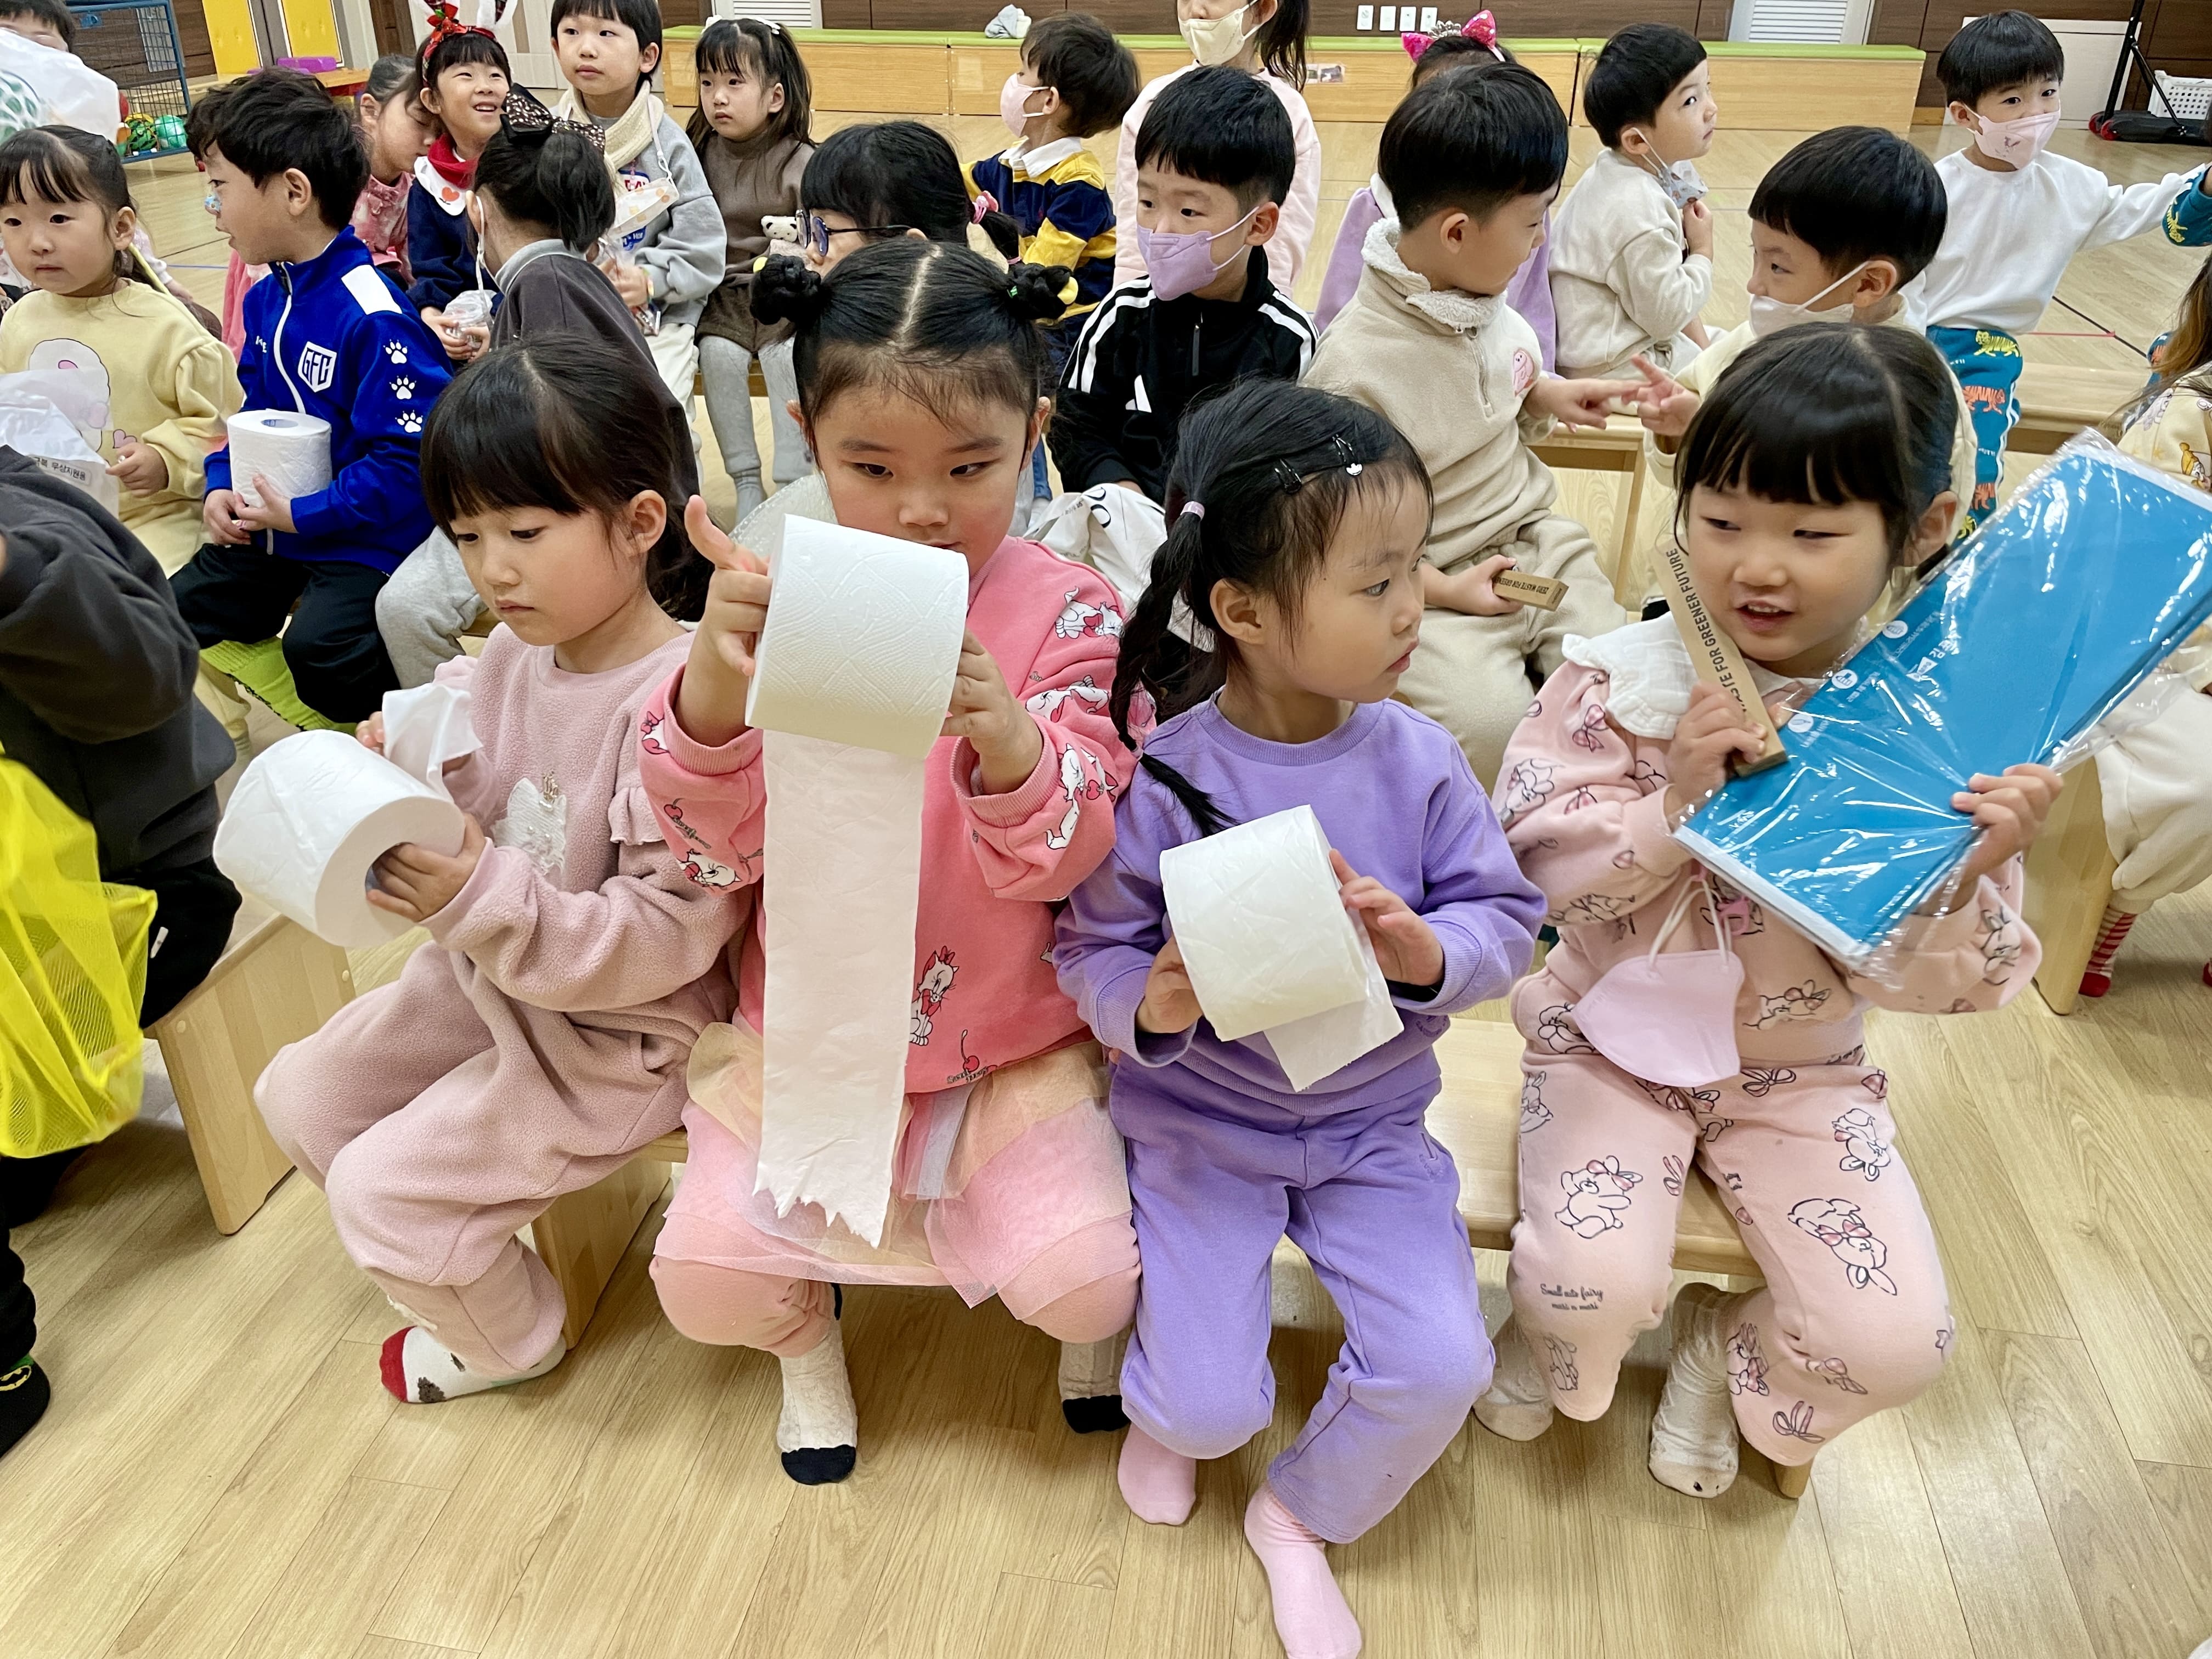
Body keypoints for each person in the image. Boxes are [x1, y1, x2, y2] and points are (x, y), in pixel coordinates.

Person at [1478, 326, 2061, 1499]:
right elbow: (1524, 884)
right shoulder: (1618, 680)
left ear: (1923, 531)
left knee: (1898, 1345)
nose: (1759, 565)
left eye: (1812, 531)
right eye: (1724, 517)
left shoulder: (1930, 736)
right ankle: (1554, 1341)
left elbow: (1952, 987)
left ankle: (1720, 1351)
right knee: (1581, 1287)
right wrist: (1671, 805)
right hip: (1605, 1045)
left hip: (1801, 1078)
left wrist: (1964, 870)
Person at [635, 238, 1141, 1486]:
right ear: (806, 433)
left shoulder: (1074, 612)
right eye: (870, 467)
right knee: (699, 1283)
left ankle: (1045, 1290)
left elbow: (1080, 859)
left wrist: (1013, 741)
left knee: (1087, 1286)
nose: (923, 507)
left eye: (972, 468)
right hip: (805, 1040)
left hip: (1005, 1036)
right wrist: (707, 695)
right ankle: (809, 1334)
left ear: (1037, 429)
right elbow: (712, 857)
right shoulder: (775, 594)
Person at [1053, 379, 1544, 1659]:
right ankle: (1178, 1420)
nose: (1415, 604)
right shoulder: (1163, 778)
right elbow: (1088, 949)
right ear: (1246, 612)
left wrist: (1430, 949)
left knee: (1445, 1366)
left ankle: (1299, 1515)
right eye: (1376, 582)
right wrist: (1149, 1000)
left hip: (1376, 1133)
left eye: (1414, 569)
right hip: (1202, 1131)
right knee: (1205, 1408)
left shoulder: (1423, 758)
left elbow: (1509, 918)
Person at [255, 333, 740, 1405]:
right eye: (467, 536)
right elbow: (508, 813)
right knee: (299, 1096)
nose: (493, 569)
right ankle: (452, 1240)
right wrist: (404, 792)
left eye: (525, 531)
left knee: (383, 1194)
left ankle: (512, 1340)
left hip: (622, 1033)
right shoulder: (518, 654)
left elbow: (670, 936)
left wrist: (477, 890)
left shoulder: (685, 703)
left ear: (640, 525)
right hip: (499, 975)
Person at [1305, 64, 1633, 787]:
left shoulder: (1482, 299)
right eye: (1532, 222)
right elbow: (1344, 534)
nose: (1540, 239)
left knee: (1623, 670)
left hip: (1537, 549)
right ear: (1458, 232)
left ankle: (1596, 822)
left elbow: (1499, 378)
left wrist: (1546, 394)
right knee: (1489, 729)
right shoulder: (1354, 369)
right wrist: (1445, 591)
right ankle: (1499, 865)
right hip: (1429, 581)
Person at [376, 89, 704, 687]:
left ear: (479, 210)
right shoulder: (561, 274)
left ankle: (454, 734)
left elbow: (559, 432)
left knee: (404, 608)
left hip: (571, 504)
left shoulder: (544, 281)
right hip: (603, 506)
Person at [0, 452, 239, 1227]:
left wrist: (10, 575)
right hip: (34, 907)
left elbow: (148, 672)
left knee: (13, 1165)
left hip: (141, 892)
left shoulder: (31, 525)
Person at [173, 68, 450, 725]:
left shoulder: (373, 315)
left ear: (293, 191)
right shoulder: (270, 297)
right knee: (177, 606)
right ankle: (313, 714)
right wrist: (220, 483)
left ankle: (400, 745)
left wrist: (307, 513)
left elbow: (411, 463)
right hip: (282, 522)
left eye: (220, 188)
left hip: (369, 533)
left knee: (323, 645)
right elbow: (251, 413)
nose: (213, 211)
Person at [1909, 9, 2212, 532]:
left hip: (1987, 352)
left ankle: (1957, 556)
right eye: (2013, 101)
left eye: (2047, 94)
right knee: (1903, 457)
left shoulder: (2072, 185)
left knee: (1974, 469)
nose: (2037, 113)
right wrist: (1906, 345)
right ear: (1965, 116)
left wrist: (2203, 182)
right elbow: (1906, 275)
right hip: (1913, 339)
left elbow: (2142, 206)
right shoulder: (1933, 187)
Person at [1634, 126, 1978, 554]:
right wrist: (1682, 434)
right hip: (1710, 578)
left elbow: (1916, 545)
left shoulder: (1915, 397)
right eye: (1756, 256)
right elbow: (1688, 474)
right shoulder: (1755, 343)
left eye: (1778, 267)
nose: (1754, 284)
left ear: (1870, 282)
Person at [1051, 67, 1314, 507]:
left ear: (1259, 224)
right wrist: (1122, 494)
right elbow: (1077, 426)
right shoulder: (1121, 314)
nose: (1161, 229)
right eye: (1148, 203)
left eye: (1189, 211)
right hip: (1124, 534)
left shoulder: (1290, 341)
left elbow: (1296, 470)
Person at [726, 119, 984, 551]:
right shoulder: (829, 330)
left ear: (907, 248)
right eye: (807, 227)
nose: (810, 250)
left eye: (826, 233)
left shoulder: (973, 355)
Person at [0, 125, 244, 574]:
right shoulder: (16, 321)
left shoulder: (168, 329)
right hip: (51, 519)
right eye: (14, 222)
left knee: (129, 597)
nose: (37, 241)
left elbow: (224, 427)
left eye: (58, 219)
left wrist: (165, 459)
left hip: (154, 520)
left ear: (120, 227)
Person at [2073, 261, 2212, 997]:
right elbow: (2144, 574)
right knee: (2203, 783)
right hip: (2153, 654)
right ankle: (2119, 903)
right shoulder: (2192, 414)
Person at [965, 12, 1139, 507]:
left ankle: (1040, 501)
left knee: (1029, 402)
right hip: (1034, 306)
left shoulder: (1079, 181)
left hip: (1073, 322)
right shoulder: (1012, 162)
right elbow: (958, 180)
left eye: (1023, 72)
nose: (1013, 82)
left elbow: (1043, 272)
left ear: (1047, 101)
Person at [1313, 25, 1555, 365]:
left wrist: (1538, 382)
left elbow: (1534, 310)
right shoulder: (1375, 205)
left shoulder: (1528, 215)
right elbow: (1337, 313)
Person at [550, 0, 724, 411]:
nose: (586, 48)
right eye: (572, 33)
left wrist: (649, 279)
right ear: (555, 48)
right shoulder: (549, 138)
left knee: (663, 414)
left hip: (659, 314)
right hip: (573, 310)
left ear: (648, 57)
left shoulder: (668, 143)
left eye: (606, 33)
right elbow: (533, 233)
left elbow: (704, 242)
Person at [689, 16, 813, 526]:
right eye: (707, 82)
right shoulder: (694, 155)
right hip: (722, 294)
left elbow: (818, 239)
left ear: (775, 97)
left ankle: (793, 478)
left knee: (786, 356)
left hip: (784, 292)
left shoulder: (803, 161)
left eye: (734, 83)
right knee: (717, 356)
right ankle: (745, 480)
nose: (718, 97)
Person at [219, 53, 427, 356]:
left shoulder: (412, 188)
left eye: (439, 128)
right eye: (420, 122)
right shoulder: (335, 173)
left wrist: (425, 311)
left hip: (349, 302)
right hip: (287, 279)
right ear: (370, 110)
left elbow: (414, 264)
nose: (431, 139)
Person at [1109, 0, 1318, 293]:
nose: (1196, 9)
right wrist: (1129, 308)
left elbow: (1283, 246)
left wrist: (1262, 324)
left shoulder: (1289, 115)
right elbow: (1134, 233)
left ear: (1263, 8)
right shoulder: (1152, 103)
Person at [1548, 22, 1717, 380]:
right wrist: (1702, 252)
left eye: (1707, 90)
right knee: (1744, 386)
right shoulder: (1640, 211)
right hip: (1618, 369)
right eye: (1691, 101)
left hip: (1619, 350)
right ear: (1638, 141)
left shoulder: (1618, 170)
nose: (1710, 109)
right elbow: (1668, 315)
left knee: (1732, 350)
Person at [406, 22, 511, 366]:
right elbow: (431, 266)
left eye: (495, 75)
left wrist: (504, 317)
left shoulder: (526, 164)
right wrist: (432, 314)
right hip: (465, 324)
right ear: (432, 100)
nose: (486, 87)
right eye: (466, 75)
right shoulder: (429, 181)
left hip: (530, 310)